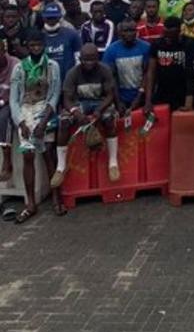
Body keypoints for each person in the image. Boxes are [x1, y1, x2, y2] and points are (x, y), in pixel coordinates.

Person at [9, 31, 62, 222]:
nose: (36, 48)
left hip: (45, 110)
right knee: (28, 155)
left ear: (44, 45)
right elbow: (14, 100)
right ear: (27, 46)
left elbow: (54, 95)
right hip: (25, 111)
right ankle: (30, 203)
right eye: (32, 45)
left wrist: (44, 121)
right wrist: (20, 123)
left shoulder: (52, 66)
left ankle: (57, 198)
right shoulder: (19, 68)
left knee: (48, 153)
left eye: (39, 44)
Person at [51, 43, 119, 189]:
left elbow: (110, 95)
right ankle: (60, 166)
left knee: (109, 119)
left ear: (98, 58)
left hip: (100, 102)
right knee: (63, 121)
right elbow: (67, 99)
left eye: (92, 59)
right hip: (79, 103)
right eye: (86, 59)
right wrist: (76, 113)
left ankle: (113, 162)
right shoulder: (72, 73)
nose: (89, 63)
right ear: (80, 58)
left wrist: (99, 110)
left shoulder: (104, 70)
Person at [102, 19, 152, 112]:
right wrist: (118, 102)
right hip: (121, 99)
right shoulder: (111, 51)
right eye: (126, 31)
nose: (129, 33)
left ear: (136, 31)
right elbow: (111, 78)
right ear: (120, 33)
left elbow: (147, 74)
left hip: (142, 97)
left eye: (132, 30)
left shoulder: (146, 48)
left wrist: (139, 97)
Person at [144, 17, 188, 112]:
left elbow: (191, 74)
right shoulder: (157, 44)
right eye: (165, 33)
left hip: (182, 93)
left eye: (170, 34)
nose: (167, 37)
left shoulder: (187, 44)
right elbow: (151, 72)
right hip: (161, 92)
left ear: (178, 31)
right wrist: (148, 100)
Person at [0, 42, 19, 182]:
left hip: (12, 101)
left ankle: (7, 161)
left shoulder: (15, 65)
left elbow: (16, 93)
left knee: (4, 117)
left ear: (4, 50)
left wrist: (2, 102)